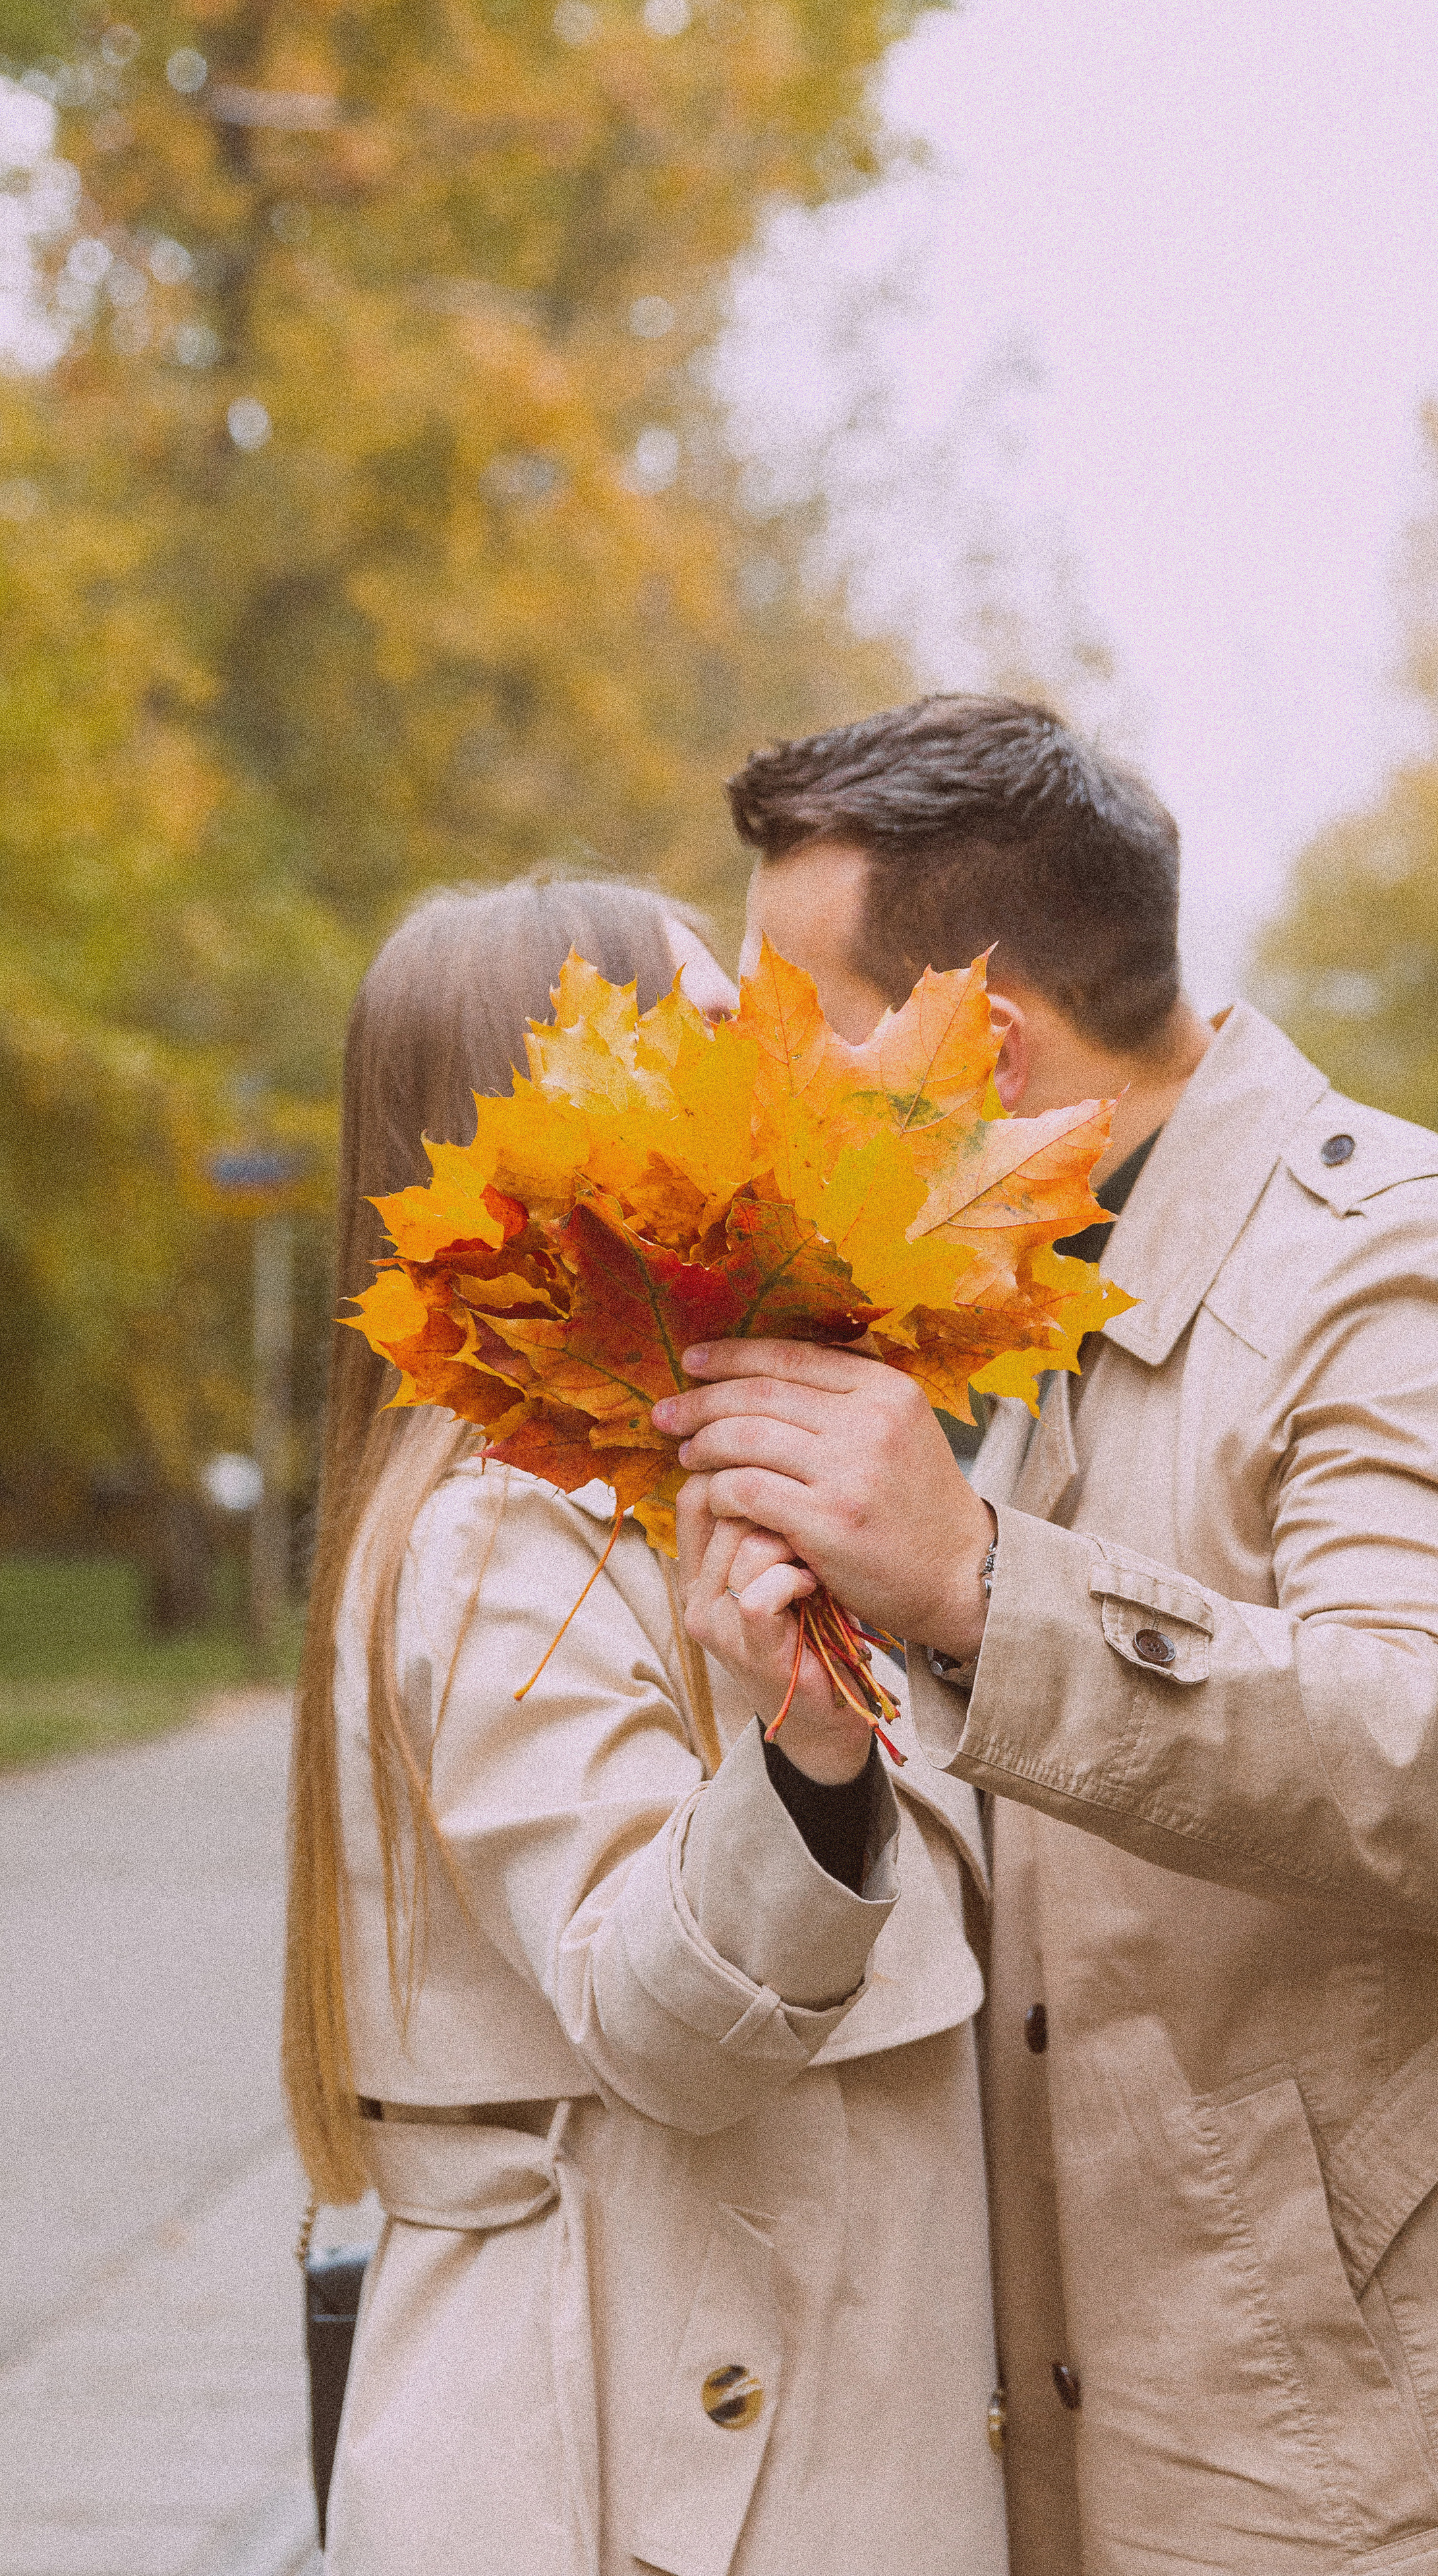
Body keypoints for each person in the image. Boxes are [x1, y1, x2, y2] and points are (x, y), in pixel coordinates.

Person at [654, 697, 1438, 2576]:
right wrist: (809, 1735)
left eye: (787, 1026)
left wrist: (977, 1583)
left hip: (1392, 2484)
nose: (755, 1085)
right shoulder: (1000, 1305)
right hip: (1096, 2451)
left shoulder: (1405, 1268)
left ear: (975, 1033)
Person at [283, 874, 1009, 2576]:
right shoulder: (491, 1529)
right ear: (540, 1135)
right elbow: (653, 2014)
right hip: (653, 2472)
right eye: (691, 1047)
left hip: (749, 2430)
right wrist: (810, 1760)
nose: (765, 1089)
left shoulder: (670, 1482)